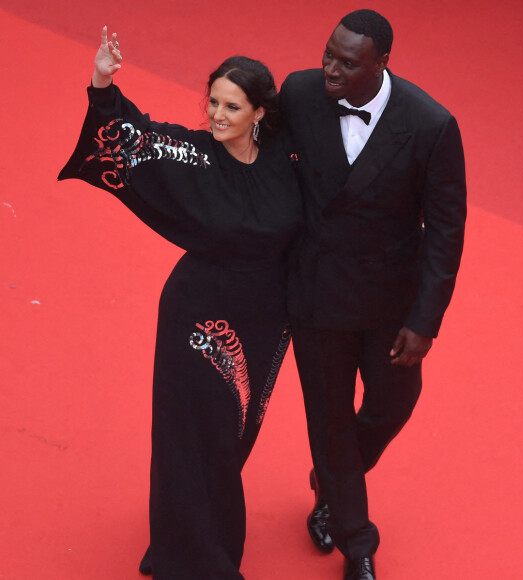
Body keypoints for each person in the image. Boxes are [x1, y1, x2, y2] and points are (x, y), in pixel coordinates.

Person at [58, 27, 301, 580]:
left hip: (262, 319)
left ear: (259, 113)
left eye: (231, 106)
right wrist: (102, 79)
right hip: (196, 315)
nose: (216, 115)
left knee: (233, 433)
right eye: (212, 101)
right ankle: (190, 557)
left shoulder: (287, 163)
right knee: (185, 430)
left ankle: (203, 534)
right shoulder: (192, 155)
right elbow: (132, 134)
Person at [279, 9, 466, 580]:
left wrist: (425, 319)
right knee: (329, 417)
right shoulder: (301, 92)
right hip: (316, 294)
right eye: (328, 55)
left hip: (390, 302)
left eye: (347, 63)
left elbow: (446, 228)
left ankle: (332, 479)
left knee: (393, 403)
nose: (330, 69)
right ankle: (356, 542)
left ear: (382, 63)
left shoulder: (431, 124)